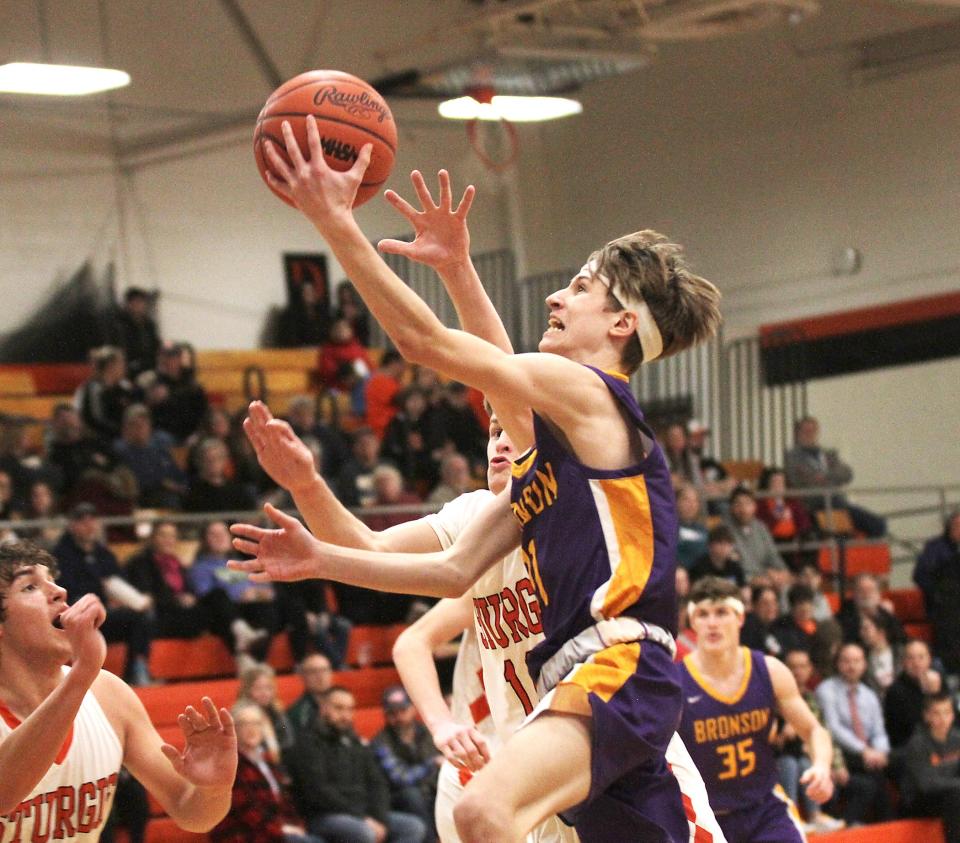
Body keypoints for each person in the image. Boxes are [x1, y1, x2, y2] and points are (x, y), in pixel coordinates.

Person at [234, 140, 721, 843]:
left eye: (580, 287)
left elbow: (428, 344)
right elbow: (450, 570)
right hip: (577, 683)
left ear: (621, 324)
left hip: (619, 665)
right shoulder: (546, 468)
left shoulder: (593, 393)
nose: (556, 295)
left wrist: (332, 218)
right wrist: (318, 559)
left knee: (481, 812)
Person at [0, 540, 236, 840]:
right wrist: (82, 674)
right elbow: (4, 795)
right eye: (29, 587)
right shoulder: (85, 681)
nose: (59, 591)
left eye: (52, 580)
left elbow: (190, 812)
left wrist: (213, 789)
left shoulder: (108, 695)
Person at [678, 577, 834, 842]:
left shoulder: (769, 670)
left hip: (763, 809)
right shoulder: (676, 683)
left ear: (740, 617)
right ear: (693, 623)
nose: (712, 623)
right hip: (705, 815)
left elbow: (813, 729)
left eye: (721, 612)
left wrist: (821, 766)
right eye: (703, 614)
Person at [285, 685, 427, 843]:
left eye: (349, 709)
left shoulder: (355, 742)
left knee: (413, 827)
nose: (345, 715)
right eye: (338, 708)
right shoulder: (307, 743)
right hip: (325, 816)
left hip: (363, 814)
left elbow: (377, 783)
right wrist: (362, 817)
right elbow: (318, 792)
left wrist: (379, 818)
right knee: (362, 832)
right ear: (323, 708)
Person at [52, 503, 154, 686]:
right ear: (72, 525)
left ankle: (136, 670)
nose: (89, 526)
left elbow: (120, 581)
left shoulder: (104, 553)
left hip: (106, 613)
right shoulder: (61, 555)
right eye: (83, 522)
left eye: (92, 521)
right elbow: (65, 590)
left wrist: (123, 599)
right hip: (77, 614)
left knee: (141, 617)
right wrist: (100, 591)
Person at [211, 701, 323, 843]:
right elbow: (247, 811)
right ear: (233, 729)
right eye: (244, 724)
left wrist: (296, 826)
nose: (251, 729)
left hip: (273, 832)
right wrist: (281, 830)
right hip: (244, 835)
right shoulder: (229, 765)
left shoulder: (267, 760)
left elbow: (285, 802)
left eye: (256, 724)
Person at [815, 643, 893, 826]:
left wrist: (880, 752)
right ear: (838, 664)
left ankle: (887, 827)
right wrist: (864, 751)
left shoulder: (869, 695)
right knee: (872, 779)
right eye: (846, 661)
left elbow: (879, 731)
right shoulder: (826, 690)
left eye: (857, 661)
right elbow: (833, 728)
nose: (852, 666)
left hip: (868, 754)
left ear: (864, 664)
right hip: (838, 753)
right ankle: (848, 826)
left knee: (892, 765)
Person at [774, 650, 846, 834]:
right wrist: (782, 735)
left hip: (803, 756)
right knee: (790, 765)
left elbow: (820, 731)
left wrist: (833, 764)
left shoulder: (810, 698)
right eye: (793, 667)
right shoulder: (773, 697)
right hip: (778, 758)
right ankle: (791, 816)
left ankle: (815, 815)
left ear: (810, 669)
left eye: (802, 666)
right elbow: (765, 742)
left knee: (806, 763)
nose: (798, 672)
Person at [783, 416, 885, 538]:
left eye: (812, 431)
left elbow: (847, 473)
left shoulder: (828, 454)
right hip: (814, 505)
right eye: (806, 431)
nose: (809, 434)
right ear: (798, 433)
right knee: (859, 527)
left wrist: (824, 476)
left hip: (837, 502)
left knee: (879, 524)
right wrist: (833, 477)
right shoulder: (793, 457)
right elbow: (804, 480)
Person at [371, 686, 443, 840]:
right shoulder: (381, 742)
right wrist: (431, 765)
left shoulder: (429, 733)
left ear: (413, 709)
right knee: (412, 795)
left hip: (430, 789)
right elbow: (400, 778)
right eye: (391, 713)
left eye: (402, 710)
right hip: (396, 798)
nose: (398, 717)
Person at [899, 691, 960, 843]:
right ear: (927, 716)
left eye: (947, 713)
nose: (943, 719)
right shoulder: (917, 744)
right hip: (918, 801)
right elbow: (926, 784)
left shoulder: (957, 739)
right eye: (937, 714)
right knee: (956, 796)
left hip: (950, 795)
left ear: (953, 715)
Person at [913, 510, 960, 674]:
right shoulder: (935, 548)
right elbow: (920, 576)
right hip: (943, 605)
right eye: (957, 526)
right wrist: (938, 594)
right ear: (949, 527)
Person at [884, 638, 945, 750]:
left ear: (929, 659)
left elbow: (952, 718)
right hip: (912, 748)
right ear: (903, 662)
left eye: (921, 657)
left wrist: (937, 693)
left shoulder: (938, 681)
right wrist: (930, 697)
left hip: (943, 743)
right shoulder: (895, 691)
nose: (916, 663)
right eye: (910, 658)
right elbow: (909, 729)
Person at [726, 487, 789, 590]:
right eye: (738, 504)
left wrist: (782, 572)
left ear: (754, 506)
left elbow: (772, 555)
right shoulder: (725, 531)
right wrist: (753, 579)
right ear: (731, 508)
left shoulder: (761, 527)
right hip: (742, 584)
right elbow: (730, 567)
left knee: (788, 587)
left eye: (747, 504)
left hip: (766, 579)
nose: (743, 509)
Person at [110, 287, 160, 380]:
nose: (139, 305)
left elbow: (155, 345)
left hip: (149, 367)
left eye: (141, 302)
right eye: (135, 302)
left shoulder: (149, 325)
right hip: (129, 369)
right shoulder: (120, 325)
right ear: (128, 304)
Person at [286, 653, 334, 736]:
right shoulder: (297, 713)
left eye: (324, 670)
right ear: (303, 676)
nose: (320, 676)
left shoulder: (340, 703)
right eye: (313, 672)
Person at [688, 524, 746, 591]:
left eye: (728, 544)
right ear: (710, 545)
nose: (724, 547)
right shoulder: (699, 566)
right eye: (720, 543)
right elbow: (696, 590)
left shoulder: (735, 566)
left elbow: (743, 587)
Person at [675, 484, 709, 571]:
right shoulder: (669, 529)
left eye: (695, 501)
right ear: (676, 502)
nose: (691, 505)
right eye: (686, 500)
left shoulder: (703, 530)